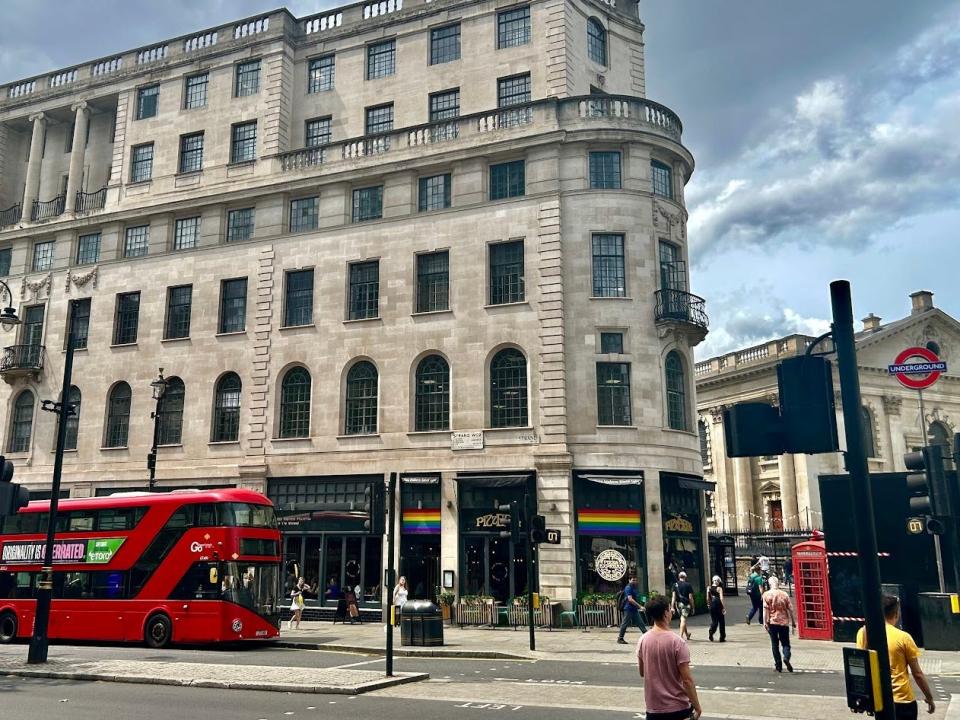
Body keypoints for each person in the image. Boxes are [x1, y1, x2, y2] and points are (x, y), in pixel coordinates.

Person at [857, 595, 935, 719]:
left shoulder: (864, 633)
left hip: (879, 699)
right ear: (896, 614)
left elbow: (862, 665)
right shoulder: (903, 637)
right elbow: (917, 674)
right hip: (903, 700)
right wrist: (929, 697)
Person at [637, 595, 703, 720]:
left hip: (653, 708)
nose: (672, 611)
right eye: (669, 609)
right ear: (665, 614)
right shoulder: (677, 642)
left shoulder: (643, 640)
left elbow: (642, 672)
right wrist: (697, 707)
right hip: (677, 708)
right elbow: (687, 680)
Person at [762, 576, 796, 673]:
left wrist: (765, 622)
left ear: (770, 584)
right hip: (784, 622)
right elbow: (790, 609)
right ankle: (786, 657)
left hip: (772, 622)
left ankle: (778, 666)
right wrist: (793, 622)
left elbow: (765, 610)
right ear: (778, 584)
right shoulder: (784, 594)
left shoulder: (766, 595)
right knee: (785, 643)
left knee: (774, 644)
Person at [617, 575, 648, 644]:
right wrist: (640, 607)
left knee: (641, 623)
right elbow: (630, 599)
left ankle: (648, 638)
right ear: (629, 580)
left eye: (635, 580)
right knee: (625, 624)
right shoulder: (628, 588)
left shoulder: (634, 588)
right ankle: (620, 638)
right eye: (633, 580)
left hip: (634, 609)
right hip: (628, 609)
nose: (634, 581)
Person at [671, 571, 695, 641]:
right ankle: (681, 636)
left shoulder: (675, 585)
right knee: (683, 619)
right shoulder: (688, 585)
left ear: (679, 577)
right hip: (686, 604)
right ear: (685, 577)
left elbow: (673, 597)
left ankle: (687, 634)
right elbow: (690, 597)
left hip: (678, 605)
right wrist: (693, 607)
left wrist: (672, 607)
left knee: (682, 619)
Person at [707, 575, 726, 642]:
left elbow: (708, 598)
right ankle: (722, 637)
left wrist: (708, 604)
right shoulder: (719, 588)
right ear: (718, 581)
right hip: (718, 605)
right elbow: (721, 598)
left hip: (712, 604)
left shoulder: (708, 588)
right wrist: (723, 607)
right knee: (721, 621)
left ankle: (711, 631)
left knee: (714, 621)